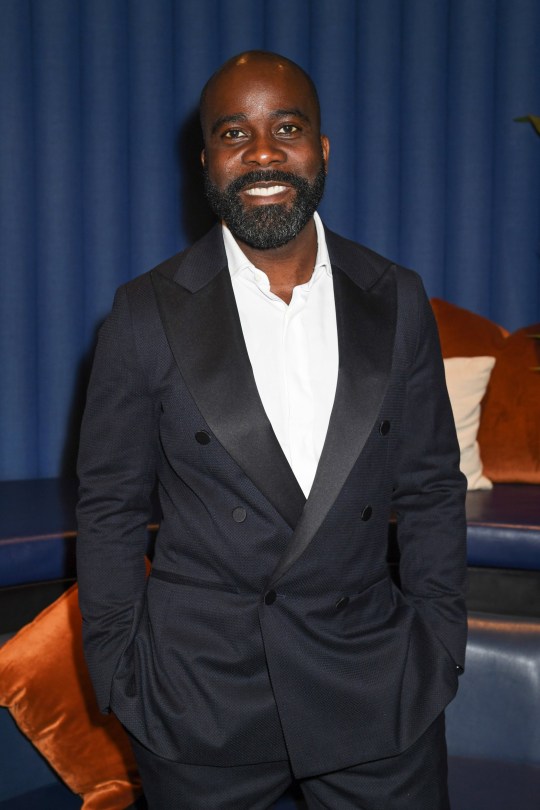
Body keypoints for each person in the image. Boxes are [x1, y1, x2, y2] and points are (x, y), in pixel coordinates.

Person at [77, 50, 467, 809]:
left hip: (376, 684)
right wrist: (121, 673)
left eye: (285, 127)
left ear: (320, 149)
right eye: (233, 133)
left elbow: (430, 488)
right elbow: (110, 507)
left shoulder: (395, 297)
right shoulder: (142, 313)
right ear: (205, 161)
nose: (261, 152)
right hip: (200, 700)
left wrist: (438, 646)